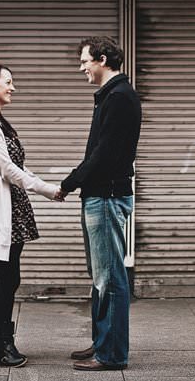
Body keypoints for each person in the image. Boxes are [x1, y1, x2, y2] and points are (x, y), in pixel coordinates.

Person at [0, 64, 63, 368]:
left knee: (9, 278)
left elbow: (16, 167)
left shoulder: (0, 123)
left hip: (13, 210)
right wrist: (47, 189)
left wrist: (47, 187)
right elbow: (7, 170)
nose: (13, 87)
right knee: (6, 279)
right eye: (7, 82)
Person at [58, 36, 142, 371]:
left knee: (111, 278)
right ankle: (101, 343)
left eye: (84, 61)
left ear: (102, 59)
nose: (82, 68)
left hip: (106, 196)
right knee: (101, 276)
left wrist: (69, 182)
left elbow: (104, 154)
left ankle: (111, 354)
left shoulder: (119, 97)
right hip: (99, 195)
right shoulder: (111, 96)